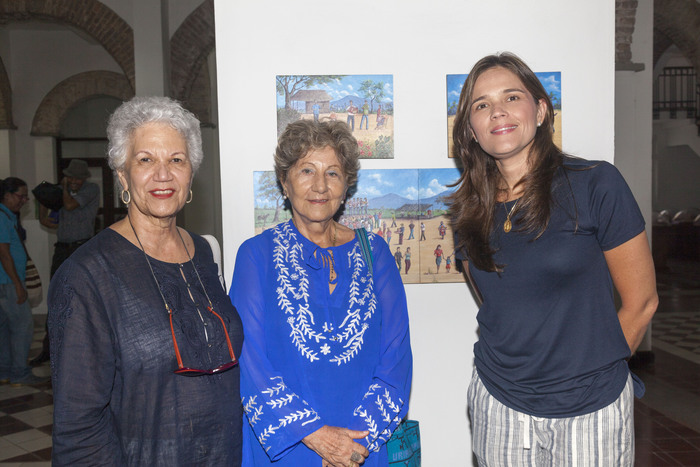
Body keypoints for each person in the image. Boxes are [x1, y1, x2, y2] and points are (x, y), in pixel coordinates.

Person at [450, 52, 658, 465]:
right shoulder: (467, 210)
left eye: (512, 97)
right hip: (499, 402)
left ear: (541, 110)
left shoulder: (596, 184)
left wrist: (593, 374)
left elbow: (643, 302)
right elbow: (495, 301)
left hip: (590, 408)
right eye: (482, 104)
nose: (498, 112)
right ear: (471, 130)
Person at [48, 96, 243, 465]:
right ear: (122, 175)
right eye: (145, 160)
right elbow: (78, 429)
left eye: (176, 160)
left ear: (190, 174)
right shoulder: (87, 275)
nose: (163, 174)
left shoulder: (204, 252)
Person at [231, 119, 412, 467]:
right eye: (306, 171)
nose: (320, 186)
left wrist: (352, 445)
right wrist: (319, 437)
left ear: (346, 186)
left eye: (332, 173)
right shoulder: (256, 255)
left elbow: (397, 357)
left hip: (362, 447)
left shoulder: (376, 253)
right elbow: (249, 359)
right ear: (285, 183)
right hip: (286, 446)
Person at [32, 158, 100, 366]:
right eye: (71, 177)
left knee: (85, 299)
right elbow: (42, 202)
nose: (74, 182)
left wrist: (62, 188)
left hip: (83, 248)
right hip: (62, 249)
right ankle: (48, 349)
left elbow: (70, 205)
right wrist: (42, 215)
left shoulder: (91, 189)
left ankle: (86, 351)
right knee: (56, 297)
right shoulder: (63, 190)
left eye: (78, 178)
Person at [0, 178, 49, 387]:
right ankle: (19, 373)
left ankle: (5, 371)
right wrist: (18, 284)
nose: (24, 200)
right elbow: (3, 253)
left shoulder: (8, 216)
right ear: (7, 195)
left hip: (5, 282)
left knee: (5, 329)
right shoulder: (2, 217)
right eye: (21, 195)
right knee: (23, 326)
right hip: (8, 283)